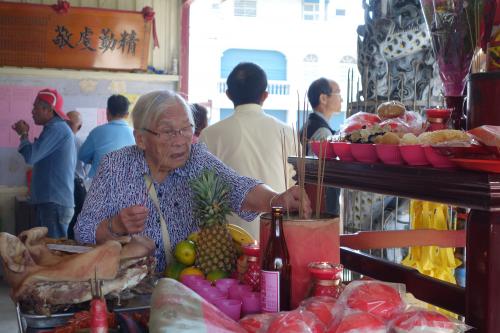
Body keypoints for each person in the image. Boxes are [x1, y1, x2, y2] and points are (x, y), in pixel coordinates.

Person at [74, 90, 311, 272]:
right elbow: (83, 231)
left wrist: (275, 199)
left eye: (186, 129)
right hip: (128, 288)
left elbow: (238, 187)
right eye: (168, 132)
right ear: (141, 139)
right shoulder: (116, 166)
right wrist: (116, 225)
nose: (180, 141)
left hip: (189, 283)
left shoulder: (196, 158)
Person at [199, 62, 297, 240]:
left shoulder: (210, 134)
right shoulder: (287, 132)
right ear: (265, 95)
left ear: (228, 95)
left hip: (229, 239)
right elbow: (294, 184)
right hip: (278, 232)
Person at [12, 88, 76, 238]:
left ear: (48, 110)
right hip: (51, 203)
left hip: (54, 204)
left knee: (52, 255)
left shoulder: (56, 129)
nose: (32, 111)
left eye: (36, 107)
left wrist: (23, 135)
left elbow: (31, 157)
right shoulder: (55, 129)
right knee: (47, 253)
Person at [300, 78, 343, 215]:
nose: (341, 99)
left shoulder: (309, 125)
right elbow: (319, 176)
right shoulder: (322, 131)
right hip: (320, 204)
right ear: (323, 98)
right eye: (338, 93)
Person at [78, 94, 135, 178]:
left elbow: (82, 156)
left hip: (98, 185)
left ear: (107, 112)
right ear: (127, 115)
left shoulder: (97, 132)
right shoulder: (135, 134)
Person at [66, 110, 90, 239]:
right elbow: (86, 168)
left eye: (70, 123)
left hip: (76, 186)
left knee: (75, 224)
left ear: (79, 127)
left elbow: (87, 168)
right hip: (71, 185)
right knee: (71, 224)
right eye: (65, 122)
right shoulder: (81, 143)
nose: (66, 126)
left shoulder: (81, 144)